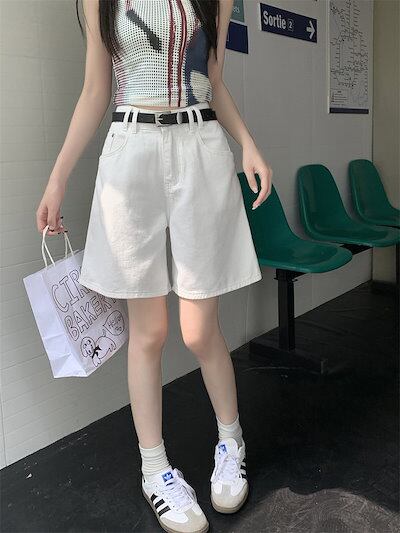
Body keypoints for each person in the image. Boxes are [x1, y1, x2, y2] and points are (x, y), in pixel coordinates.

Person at [36, 1, 272, 531]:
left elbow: (213, 80)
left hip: (201, 145)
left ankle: (230, 441)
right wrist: (57, 178)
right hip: (131, 149)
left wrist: (248, 144)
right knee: (148, 333)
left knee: (199, 330)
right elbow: (95, 90)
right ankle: (155, 468)